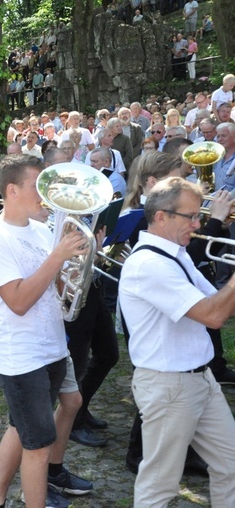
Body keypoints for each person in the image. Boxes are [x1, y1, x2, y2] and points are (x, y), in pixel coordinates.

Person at [0, 154, 83, 508]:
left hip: (52, 345)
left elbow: (55, 286)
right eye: (39, 186)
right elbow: (18, 301)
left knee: (22, 430)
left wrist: (74, 264)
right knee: (38, 445)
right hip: (21, 355)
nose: (46, 195)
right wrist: (57, 258)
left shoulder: (41, 229)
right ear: (12, 190)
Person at [119, 177, 235, 506]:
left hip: (199, 378)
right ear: (161, 217)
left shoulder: (176, 253)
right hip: (170, 386)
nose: (199, 224)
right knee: (160, 486)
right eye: (192, 217)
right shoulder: (150, 264)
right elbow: (213, 316)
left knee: (231, 465)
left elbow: (218, 305)